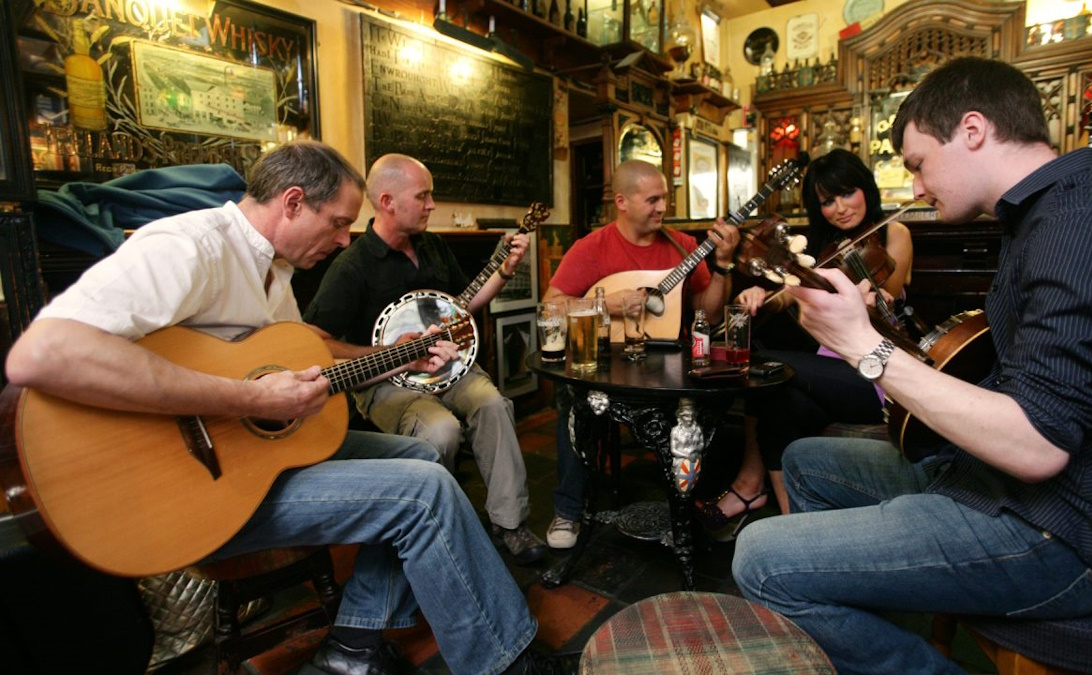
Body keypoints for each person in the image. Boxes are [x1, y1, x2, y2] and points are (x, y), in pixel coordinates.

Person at [5, 141, 567, 675]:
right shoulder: (190, 246)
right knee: (424, 494)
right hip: (191, 487)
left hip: (254, 457)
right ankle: (506, 661)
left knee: (423, 456)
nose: (346, 240)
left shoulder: (275, 274)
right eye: (339, 223)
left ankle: (354, 644)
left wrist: (394, 361)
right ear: (294, 202)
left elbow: (302, 366)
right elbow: (41, 354)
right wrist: (249, 397)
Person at [731, 56, 1092, 673]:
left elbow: (1037, 444)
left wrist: (863, 347)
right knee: (806, 460)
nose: (918, 188)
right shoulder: (1045, 214)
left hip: (1072, 530)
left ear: (973, 130)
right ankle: (866, 624)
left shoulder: (1086, 224)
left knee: (758, 558)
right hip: (1007, 487)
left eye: (920, 164)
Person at [303, 153, 549, 565]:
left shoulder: (432, 245)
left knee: (493, 404)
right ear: (387, 202)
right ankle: (442, 530)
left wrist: (505, 270)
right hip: (385, 382)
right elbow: (316, 340)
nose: (432, 205)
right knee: (440, 430)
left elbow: (460, 307)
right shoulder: (353, 265)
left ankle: (510, 524)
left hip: (449, 367)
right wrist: (392, 355)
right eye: (424, 196)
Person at [698, 148, 913, 528]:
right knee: (778, 402)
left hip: (878, 374)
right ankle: (793, 525)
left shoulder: (895, 233)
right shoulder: (819, 247)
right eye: (827, 201)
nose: (840, 208)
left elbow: (884, 290)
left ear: (865, 187)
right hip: (832, 373)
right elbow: (790, 293)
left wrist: (857, 287)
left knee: (768, 370)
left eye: (847, 193)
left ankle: (750, 489)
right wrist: (763, 295)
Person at [541, 159, 741, 548]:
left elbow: (710, 312)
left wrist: (721, 266)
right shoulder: (592, 248)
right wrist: (605, 304)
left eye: (664, 197)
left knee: (714, 400)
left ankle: (695, 505)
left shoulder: (682, 247)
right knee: (570, 399)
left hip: (668, 363)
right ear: (622, 201)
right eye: (652, 199)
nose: (662, 207)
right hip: (608, 361)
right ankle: (568, 509)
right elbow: (552, 304)